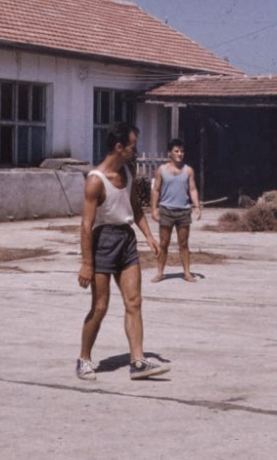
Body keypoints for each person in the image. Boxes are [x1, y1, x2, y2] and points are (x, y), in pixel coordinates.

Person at [76, 122, 170, 381]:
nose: (135, 151)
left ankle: (138, 362)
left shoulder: (128, 172)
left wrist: (149, 236)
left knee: (134, 302)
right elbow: (86, 225)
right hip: (103, 241)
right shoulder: (95, 181)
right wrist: (87, 263)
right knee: (100, 306)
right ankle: (83, 359)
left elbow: (135, 208)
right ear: (119, 147)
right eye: (132, 146)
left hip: (126, 240)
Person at [149, 138, 202, 283]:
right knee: (164, 243)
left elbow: (192, 189)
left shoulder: (188, 170)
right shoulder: (161, 170)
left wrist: (197, 206)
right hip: (166, 210)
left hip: (183, 211)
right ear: (170, 153)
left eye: (182, 151)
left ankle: (186, 273)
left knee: (183, 243)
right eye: (176, 151)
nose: (180, 154)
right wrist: (154, 209)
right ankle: (160, 273)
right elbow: (156, 190)